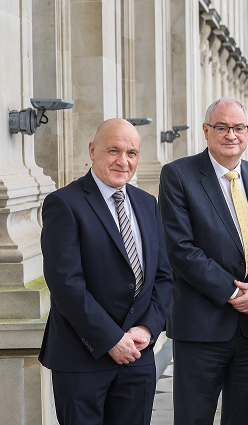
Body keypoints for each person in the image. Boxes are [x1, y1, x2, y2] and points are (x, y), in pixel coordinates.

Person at [158, 97, 248, 425]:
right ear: (206, 131)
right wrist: (234, 294)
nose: (231, 134)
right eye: (222, 127)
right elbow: (181, 250)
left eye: (239, 127)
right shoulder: (178, 175)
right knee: (193, 419)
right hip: (201, 328)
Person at [39, 118, 174, 425]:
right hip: (82, 359)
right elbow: (66, 285)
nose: (123, 161)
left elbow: (163, 277)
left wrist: (148, 329)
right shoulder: (64, 203)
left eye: (132, 153)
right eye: (114, 150)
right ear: (93, 150)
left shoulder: (147, 203)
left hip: (138, 357)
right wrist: (112, 339)